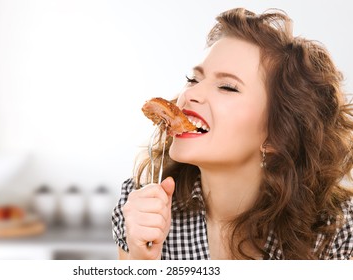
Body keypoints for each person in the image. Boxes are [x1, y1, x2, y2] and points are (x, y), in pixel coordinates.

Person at [112, 7, 353, 260]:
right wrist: (143, 260)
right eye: (193, 79)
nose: (189, 94)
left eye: (227, 87)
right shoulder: (140, 207)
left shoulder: (336, 232)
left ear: (277, 133)